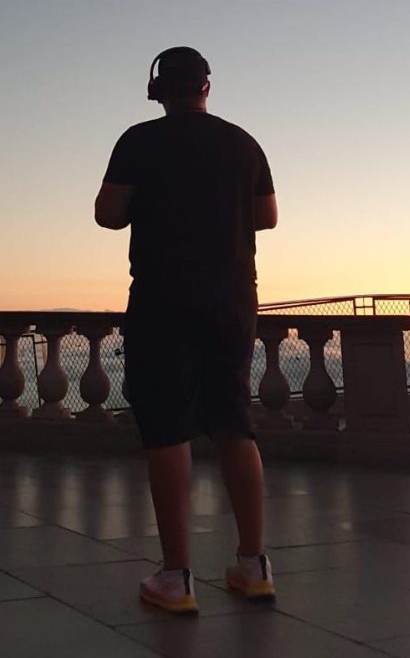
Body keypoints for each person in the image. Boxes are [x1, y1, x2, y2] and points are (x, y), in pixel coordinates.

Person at [95, 46, 278, 615]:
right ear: (206, 87)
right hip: (232, 298)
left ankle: (176, 577)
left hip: (163, 298)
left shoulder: (138, 141)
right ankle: (253, 566)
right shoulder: (243, 143)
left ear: (158, 92)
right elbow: (267, 216)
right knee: (234, 423)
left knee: (167, 430)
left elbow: (107, 213)